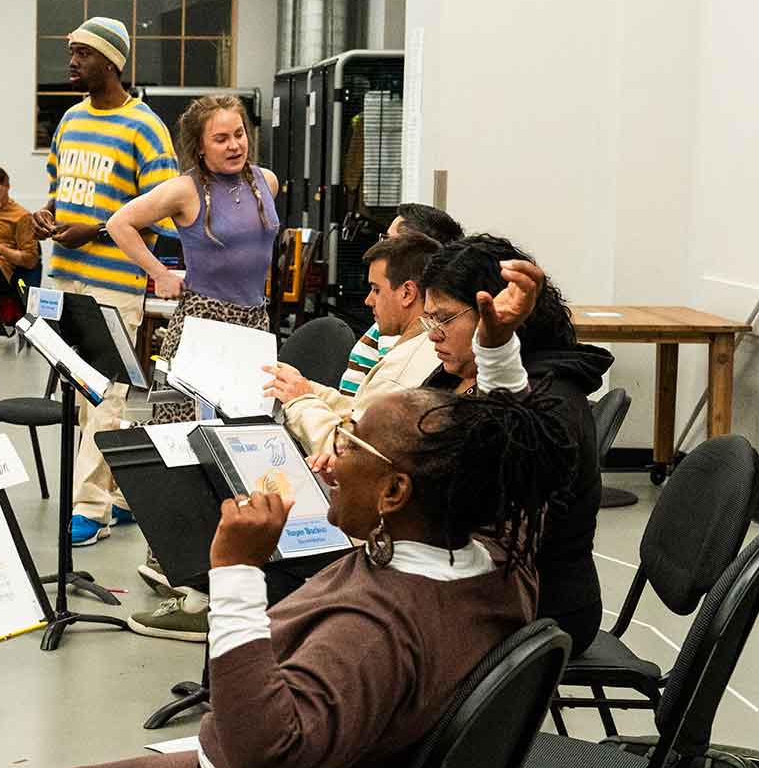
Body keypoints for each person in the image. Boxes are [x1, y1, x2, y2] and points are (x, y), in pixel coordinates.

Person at [0, 342, 578, 768]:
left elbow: (263, 746)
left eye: (351, 442)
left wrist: (236, 571)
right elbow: (512, 447)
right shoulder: (501, 558)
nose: (326, 458)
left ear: (395, 492)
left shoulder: (379, 628)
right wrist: (499, 354)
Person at [105, 94, 278, 633]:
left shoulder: (266, 182)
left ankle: (223, 564)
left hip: (253, 325)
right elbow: (121, 223)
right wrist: (160, 270)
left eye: (240, 134)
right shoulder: (184, 189)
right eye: (221, 138)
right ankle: (178, 569)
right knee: (180, 444)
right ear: (200, 148)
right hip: (201, 324)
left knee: (243, 443)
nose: (234, 145)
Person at [418, 236, 611, 653]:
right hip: (474, 570)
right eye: (429, 319)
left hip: (540, 602)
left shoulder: (553, 397)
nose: (433, 335)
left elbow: (499, 490)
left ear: (502, 312)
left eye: (445, 319)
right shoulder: (455, 373)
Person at [34, 16, 180, 546]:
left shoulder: (145, 127)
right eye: (70, 51)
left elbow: (166, 214)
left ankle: (89, 508)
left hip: (114, 284)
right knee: (81, 394)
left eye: (82, 53)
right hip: (65, 280)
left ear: (111, 62)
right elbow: (59, 188)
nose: (71, 61)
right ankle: (117, 495)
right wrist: (46, 217)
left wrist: (94, 231)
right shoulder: (71, 120)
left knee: (107, 395)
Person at [262, 232, 443, 476]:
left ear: (407, 293)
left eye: (376, 290)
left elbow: (349, 453)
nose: (369, 300)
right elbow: (362, 415)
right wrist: (306, 389)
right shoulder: (417, 346)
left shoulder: (404, 367)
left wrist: (299, 401)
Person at [332, 203, 468, 399]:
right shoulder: (397, 321)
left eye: (388, 240)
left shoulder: (406, 336)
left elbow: (356, 423)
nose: (368, 300)